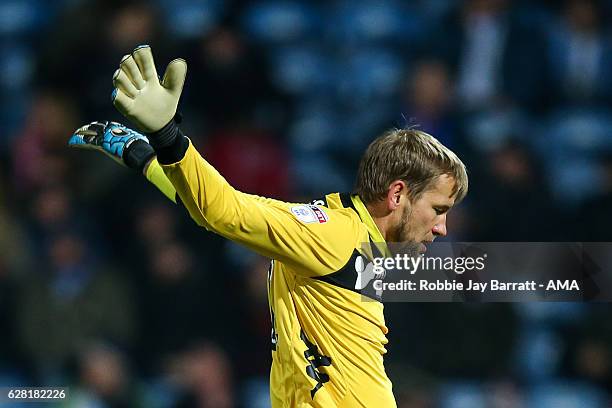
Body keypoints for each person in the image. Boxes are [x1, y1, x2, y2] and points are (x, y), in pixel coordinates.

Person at [69, 45, 468, 407]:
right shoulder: (333, 235)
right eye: (438, 209)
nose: (442, 228)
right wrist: (164, 138)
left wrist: (146, 156)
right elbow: (223, 211)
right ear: (397, 195)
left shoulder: (351, 240)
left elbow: (221, 208)